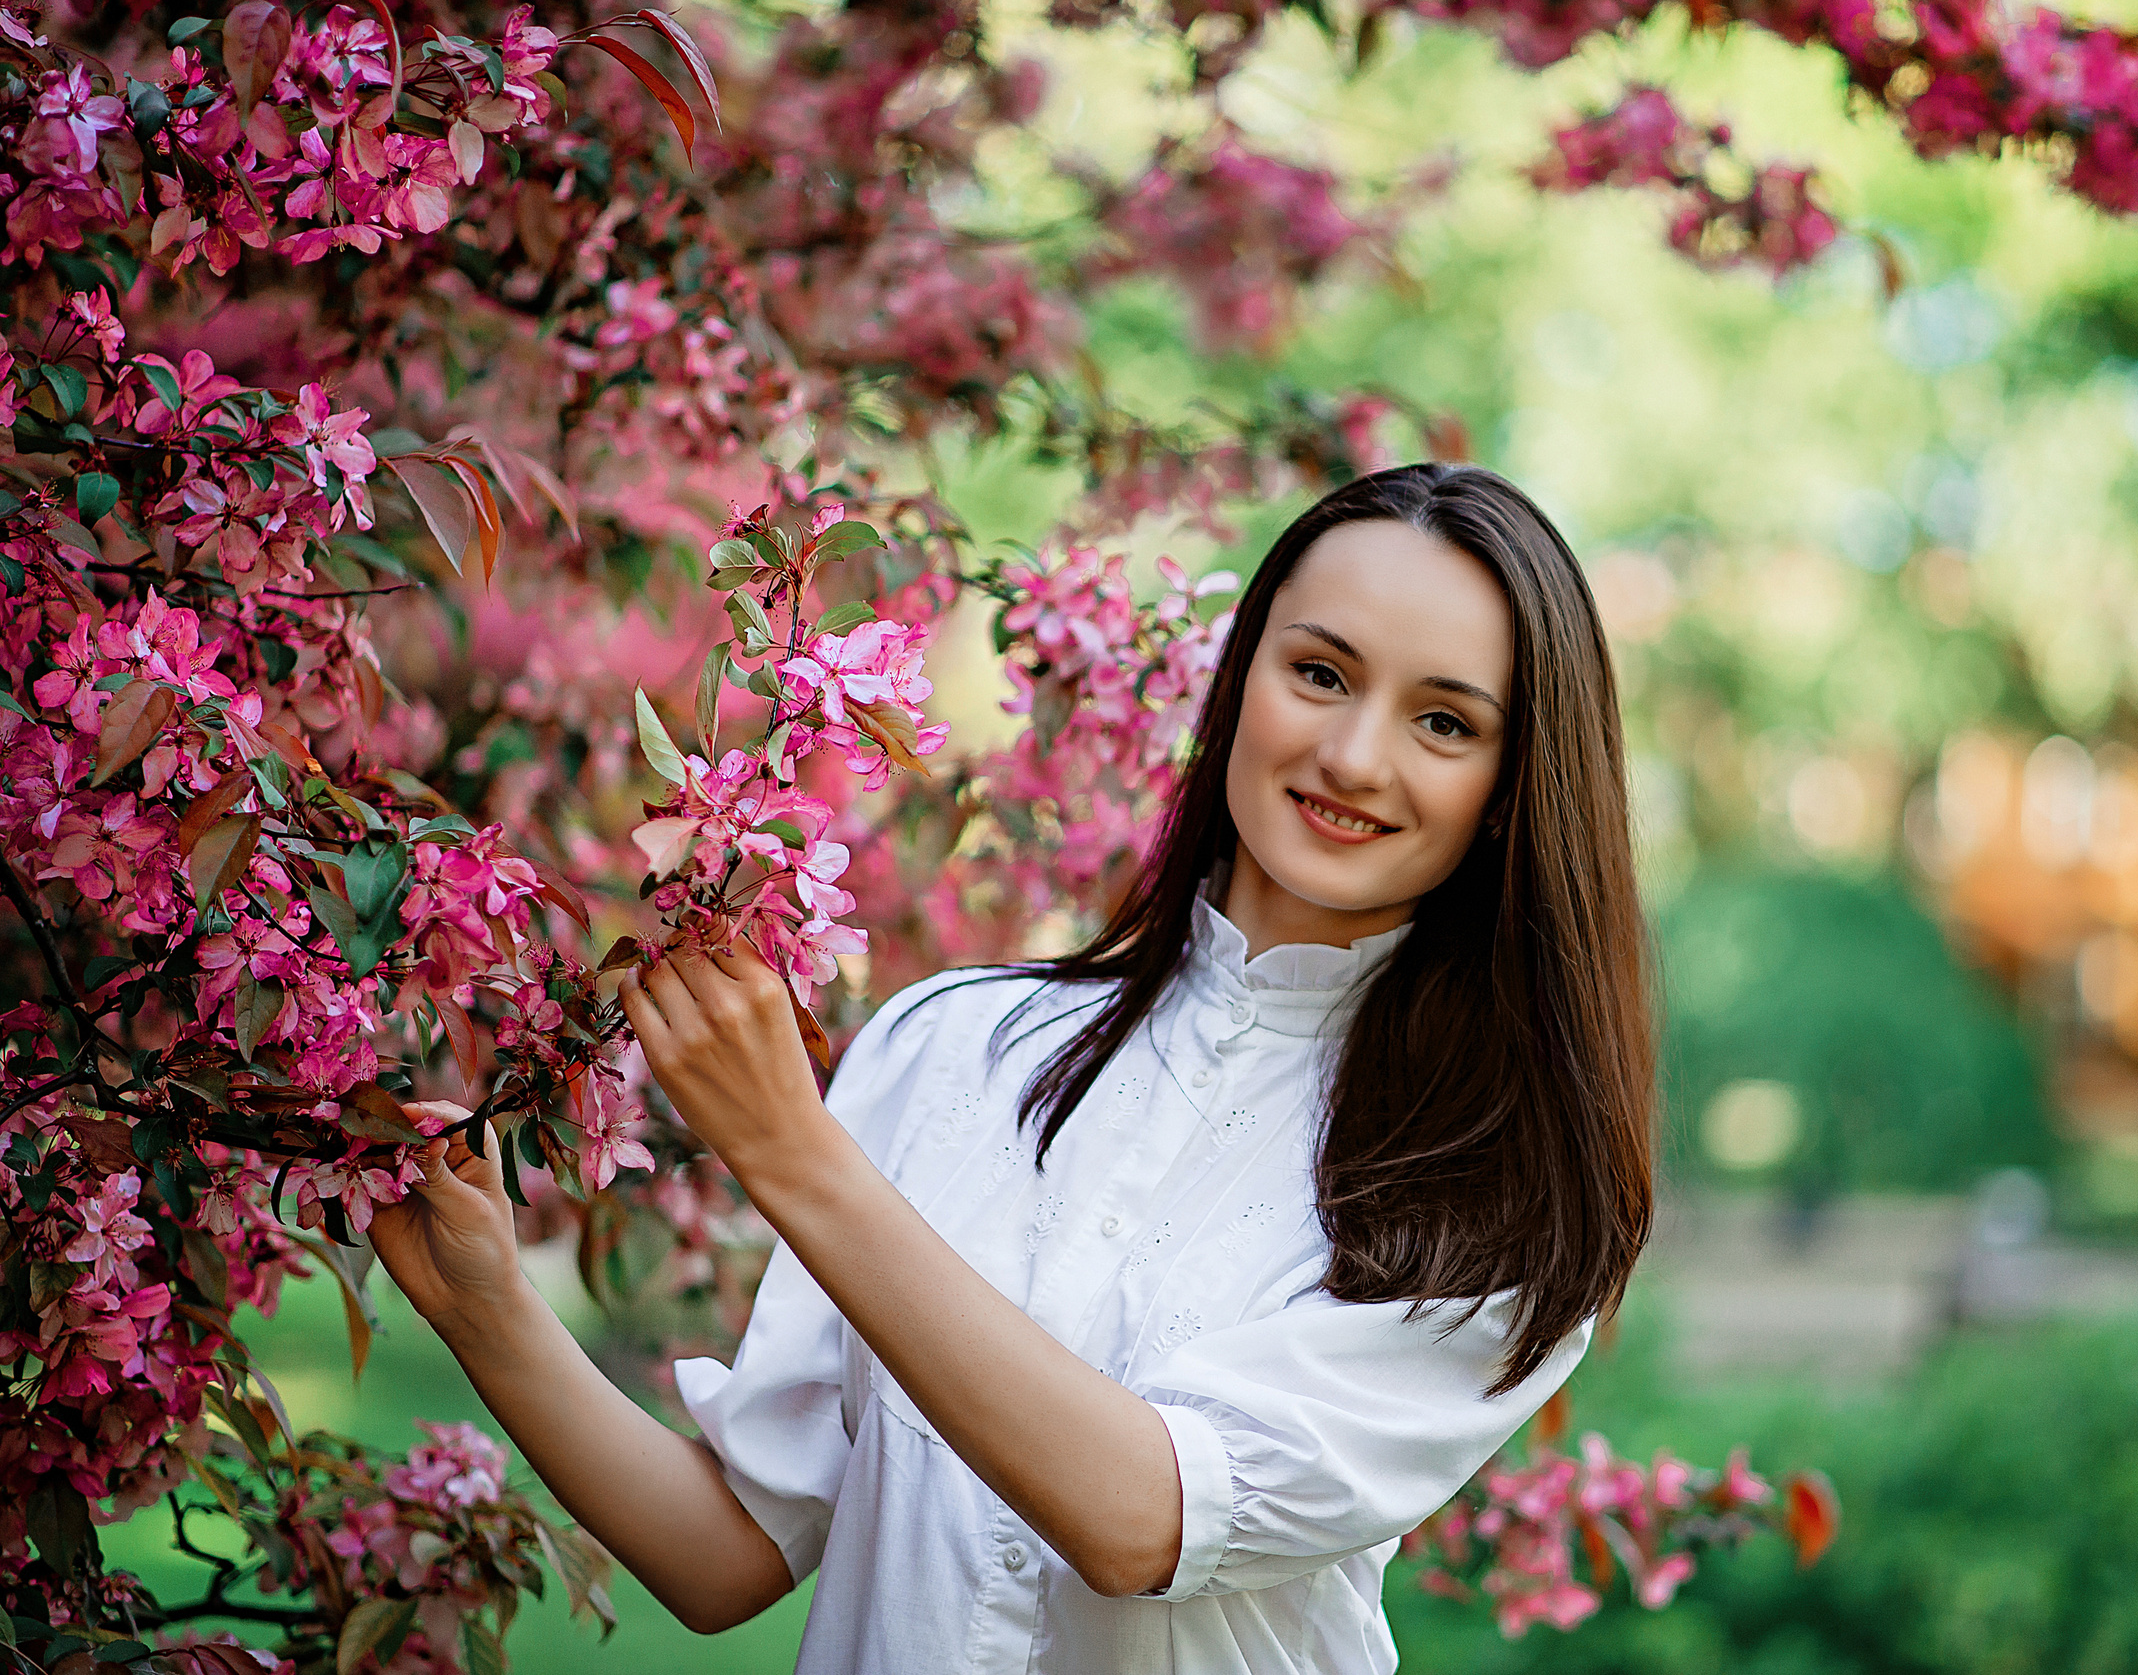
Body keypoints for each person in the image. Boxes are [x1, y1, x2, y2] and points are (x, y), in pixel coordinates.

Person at [369, 463, 1657, 1674]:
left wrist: (791, 1156)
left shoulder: (1498, 1195)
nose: (1357, 757)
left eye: (1443, 720)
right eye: (1320, 673)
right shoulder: (951, 1045)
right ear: (1241, 682)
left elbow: (1141, 1518)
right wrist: (487, 1310)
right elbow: (729, 1557)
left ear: (1509, 786)